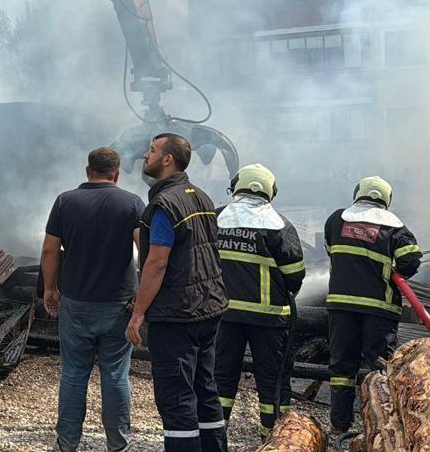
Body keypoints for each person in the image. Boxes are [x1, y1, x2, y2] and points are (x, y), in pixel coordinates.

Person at [126, 133, 228, 452]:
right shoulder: (201, 197)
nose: (145, 155)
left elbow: (156, 263)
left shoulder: (163, 205)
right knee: (205, 389)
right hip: (209, 308)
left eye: (153, 150)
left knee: (177, 397)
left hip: (177, 315)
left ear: (167, 159)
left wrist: (138, 313)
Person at [41, 147, 144, 452]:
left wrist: (50, 288)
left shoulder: (65, 201)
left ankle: (67, 443)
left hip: (76, 303)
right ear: (116, 174)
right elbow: (148, 252)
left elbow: (49, 250)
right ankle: (118, 444)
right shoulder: (132, 204)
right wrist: (142, 297)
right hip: (120, 305)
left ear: (88, 171)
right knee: (115, 375)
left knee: (73, 374)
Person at [324, 176, 420, 442]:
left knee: (342, 369)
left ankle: (339, 428)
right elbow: (410, 262)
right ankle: (381, 431)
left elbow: (330, 249)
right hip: (379, 311)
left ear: (358, 194)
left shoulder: (337, 220)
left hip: (341, 307)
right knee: (380, 369)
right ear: (386, 199)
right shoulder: (395, 229)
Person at [212, 164, 305, 438]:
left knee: (221, 376)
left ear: (235, 187)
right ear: (270, 192)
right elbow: (295, 276)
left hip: (224, 315)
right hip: (270, 319)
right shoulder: (279, 226)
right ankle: (273, 436)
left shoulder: (216, 219)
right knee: (273, 381)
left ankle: (215, 433)